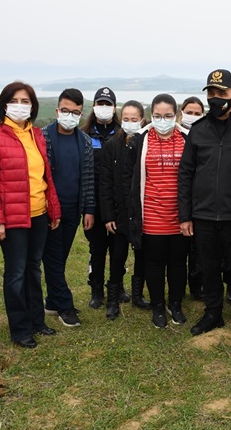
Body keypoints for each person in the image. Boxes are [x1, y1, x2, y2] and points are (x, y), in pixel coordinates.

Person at [178, 69, 231, 337]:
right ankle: (212, 313)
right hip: (203, 215)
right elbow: (186, 173)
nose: (216, 98)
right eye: (212, 94)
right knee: (208, 267)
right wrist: (185, 216)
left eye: (222, 93)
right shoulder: (198, 130)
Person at [0, 81, 61, 348]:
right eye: (16, 100)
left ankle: (37, 321)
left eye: (26, 102)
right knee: (15, 273)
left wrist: (52, 209)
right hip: (11, 217)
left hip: (38, 213)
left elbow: (45, 175)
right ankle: (21, 329)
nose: (21, 106)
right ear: (4, 104)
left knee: (33, 269)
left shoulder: (35, 134)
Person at [127, 94, 190, 328]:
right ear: (150, 115)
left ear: (177, 115)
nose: (162, 120)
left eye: (168, 116)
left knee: (177, 263)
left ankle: (175, 304)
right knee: (153, 264)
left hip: (180, 216)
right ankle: (157, 306)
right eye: (157, 116)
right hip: (151, 214)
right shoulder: (140, 139)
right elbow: (130, 178)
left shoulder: (187, 138)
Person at [41, 88, 94, 327]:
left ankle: (52, 301)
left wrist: (89, 209)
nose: (69, 116)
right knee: (52, 258)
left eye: (75, 112)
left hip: (73, 209)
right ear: (57, 110)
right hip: (49, 210)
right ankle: (64, 305)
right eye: (65, 111)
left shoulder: (83, 140)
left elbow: (89, 178)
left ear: (81, 114)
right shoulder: (42, 137)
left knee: (60, 257)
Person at [101, 100, 151, 318]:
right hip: (119, 211)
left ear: (142, 119)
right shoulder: (111, 145)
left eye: (134, 119)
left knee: (141, 255)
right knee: (117, 256)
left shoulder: (146, 142)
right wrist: (108, 215)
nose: (130, 123)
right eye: (126, 119)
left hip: (141, 211)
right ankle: (112, 299)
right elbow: (105, 183)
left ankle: (138, 294)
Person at [81, 87, 128, 309]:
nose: (104, 108)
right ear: (93, 107)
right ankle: (96, 290)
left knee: (118, 249)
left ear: (114, 108)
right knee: (97, 249)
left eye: (108, 104)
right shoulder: (84, 134)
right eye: (100, 103)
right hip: (94, 202)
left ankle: (117, 287)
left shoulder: (122, 133)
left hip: (117, 203)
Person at [179, 96, 205, 300]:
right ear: (181, 112)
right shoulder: (174, 134)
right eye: (189, 112)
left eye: (197, 114)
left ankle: (197, 287)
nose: (193, 117)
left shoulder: (203, 135)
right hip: (176, 198)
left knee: (197, 249)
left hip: (199, 199)